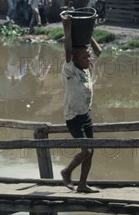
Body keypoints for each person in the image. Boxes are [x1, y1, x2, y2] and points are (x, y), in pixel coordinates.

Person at [59, 14, 102, 194]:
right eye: (84, 57)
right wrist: (68, 29)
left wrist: (88, 34)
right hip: (74, 117)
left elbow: (98, 51)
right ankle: (67, 171)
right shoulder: (70, 70)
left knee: (90, 152)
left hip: (85, 115)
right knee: (86, 151)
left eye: (87, 57)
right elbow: (68, 51)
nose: (88, 59)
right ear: (75, 59)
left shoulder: (87, 68)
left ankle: (83, 184)